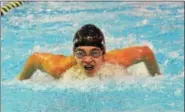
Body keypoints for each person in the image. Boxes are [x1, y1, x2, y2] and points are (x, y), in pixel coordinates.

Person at [18, 24, 161, 80]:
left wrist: (157, 77)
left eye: (94, 53)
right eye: (80, 53)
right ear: (74, 53)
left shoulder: (117, 61)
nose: (87, 60)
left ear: (103, 53)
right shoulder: (59, 68)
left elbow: (145, 52)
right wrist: (21, 81)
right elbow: (35, 58)